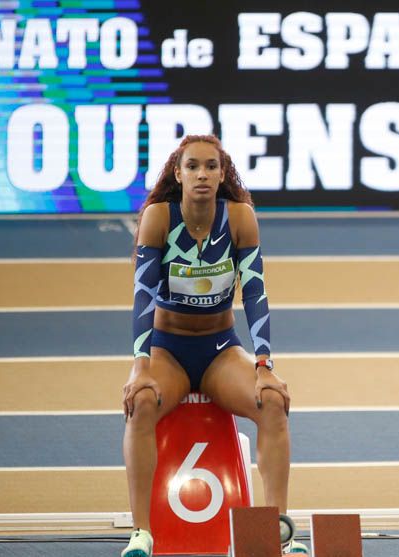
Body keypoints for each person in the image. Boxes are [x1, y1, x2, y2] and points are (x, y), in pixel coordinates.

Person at [121, 135, 307, 557]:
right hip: (168, 349)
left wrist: (264, 364)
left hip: (221, 348)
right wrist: (140, 364)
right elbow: (143, 296)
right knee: (141, 402)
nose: (202, 174)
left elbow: (255, 294)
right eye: (193, 167)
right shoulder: (158, 218)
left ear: (223, 174)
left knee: (274, 401)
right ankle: (141, 533)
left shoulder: (240, 218)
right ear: (178, 173)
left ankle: (276, 530)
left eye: (210, 166)